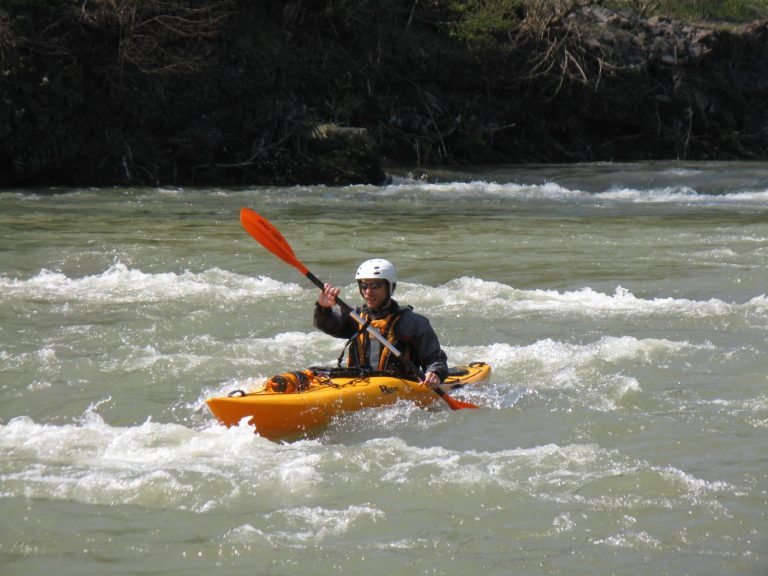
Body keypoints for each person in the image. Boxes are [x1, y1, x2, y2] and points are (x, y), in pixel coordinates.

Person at [313, 258, 448, 388]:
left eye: (375, 286)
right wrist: (323, 307)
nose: (368, 292)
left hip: (398, 389)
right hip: (358, 384)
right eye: (364, 286)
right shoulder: (355, 316)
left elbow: (435, 359)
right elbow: (326, 325)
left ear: (390, 287)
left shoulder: (412, 322)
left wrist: (434, 373)